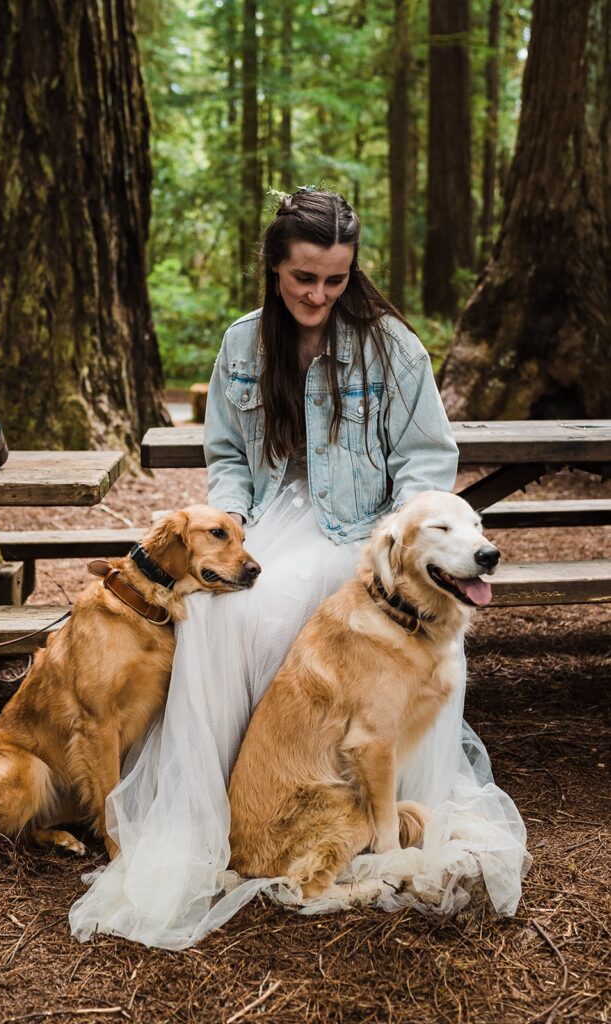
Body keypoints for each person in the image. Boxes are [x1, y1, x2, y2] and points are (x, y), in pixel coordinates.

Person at [69, 189, 530, 950]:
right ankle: (217, 812)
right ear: (272, 269)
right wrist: (229, 531)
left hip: (365, 530)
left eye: (335, 280)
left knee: (286, 601)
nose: (318, 295)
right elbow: (226, 458)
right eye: (302, 279)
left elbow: (425, 465)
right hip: (268, 522)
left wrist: (392, 547)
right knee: (222, 610)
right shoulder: (241, 344)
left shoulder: (392, 348)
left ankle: (324, 795)